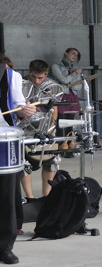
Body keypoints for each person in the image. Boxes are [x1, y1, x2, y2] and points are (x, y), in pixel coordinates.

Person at [1, 54, 37, 265]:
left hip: (3, 140)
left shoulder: (10, 75)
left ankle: (5, 246)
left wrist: (26, 110)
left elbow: (20, 109)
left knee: (6, 196)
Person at [19, 60, 63, 199]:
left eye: (40, 78)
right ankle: (30, 197)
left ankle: (46, 196)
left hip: (45, 125)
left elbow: (54, 109)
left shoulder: (51, 86)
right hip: (25, 127)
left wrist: (51, 127)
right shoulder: (20, 84)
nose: (36, 81)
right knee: (23, 162)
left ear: (46, 74)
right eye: (33, 77)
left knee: (52, 160)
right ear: (29, 72)